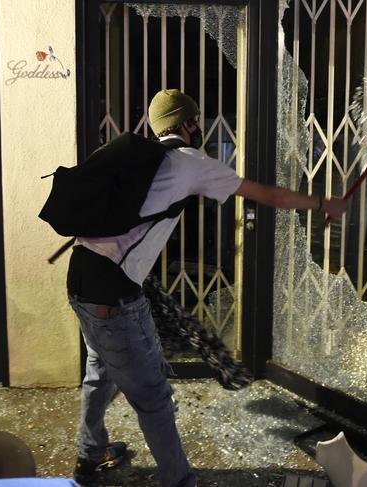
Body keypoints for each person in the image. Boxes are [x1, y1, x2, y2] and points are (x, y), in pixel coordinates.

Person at [68, 88, 348, 487]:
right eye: (195, 120)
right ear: (187, 123)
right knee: (154, 398)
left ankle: (90, 453)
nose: (198, 127)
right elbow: (267, 194)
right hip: (112, 293)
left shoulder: (136, 159)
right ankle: (179, 481)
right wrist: (323, 204)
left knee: (99, 369)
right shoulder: (187, 162)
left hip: (81, 277)